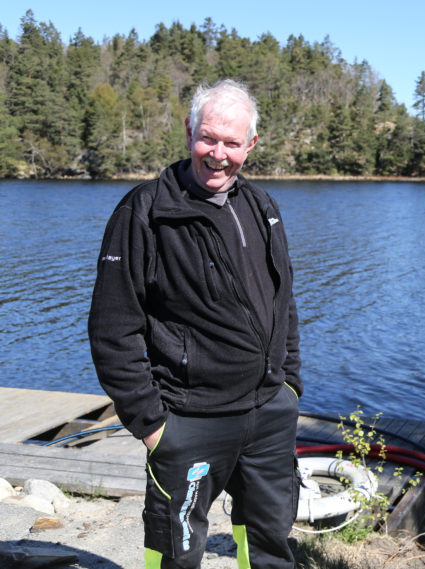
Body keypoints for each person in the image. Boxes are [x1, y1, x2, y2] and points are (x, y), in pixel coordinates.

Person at [88, 78, 302, 569]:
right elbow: (112, 329)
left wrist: (289, 383)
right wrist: (152, 425)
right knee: (175, 555)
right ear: (189, 131)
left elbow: (283, 300)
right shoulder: (144, 211)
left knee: (270, 547)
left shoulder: (261, 207)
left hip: (268, 412)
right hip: (189, 419)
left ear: (251, 145)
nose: (218, 154)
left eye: (232, 143)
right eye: (209, 138)